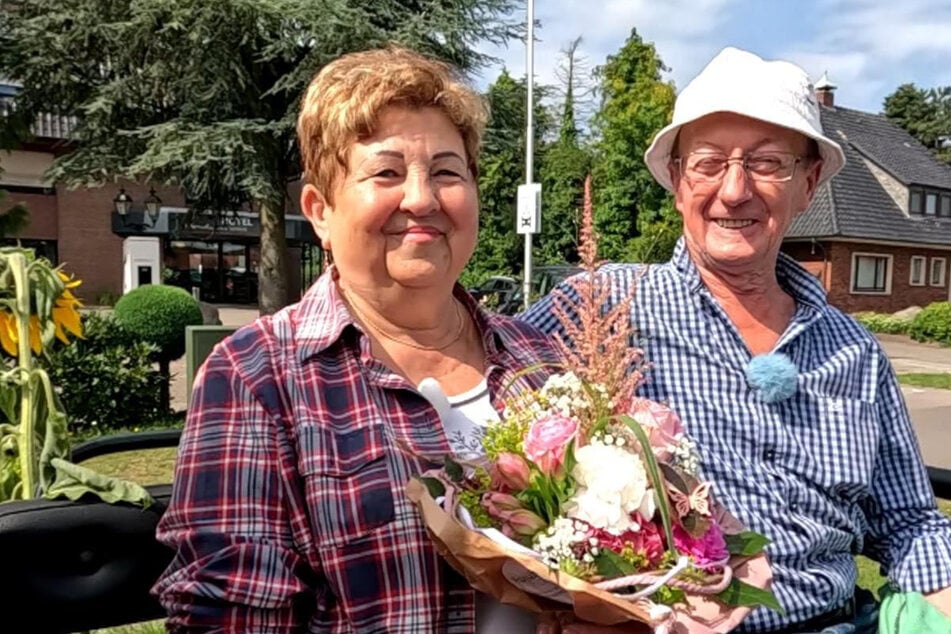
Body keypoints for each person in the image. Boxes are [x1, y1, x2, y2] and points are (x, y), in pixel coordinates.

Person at [522, 47, 951, 634]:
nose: (734, 190)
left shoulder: (855, 351)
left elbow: (908, 522)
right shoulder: (600, 309)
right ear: (676, 180)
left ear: (809, 183)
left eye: (769, 163)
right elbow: (464, 377)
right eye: (709, 162)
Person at [152, 46, 559, 633]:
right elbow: (229, 618)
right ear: (319, 209)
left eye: (446, 171)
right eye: (386, 172)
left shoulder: (542, 360)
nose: (422, 199)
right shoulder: (258, 377)